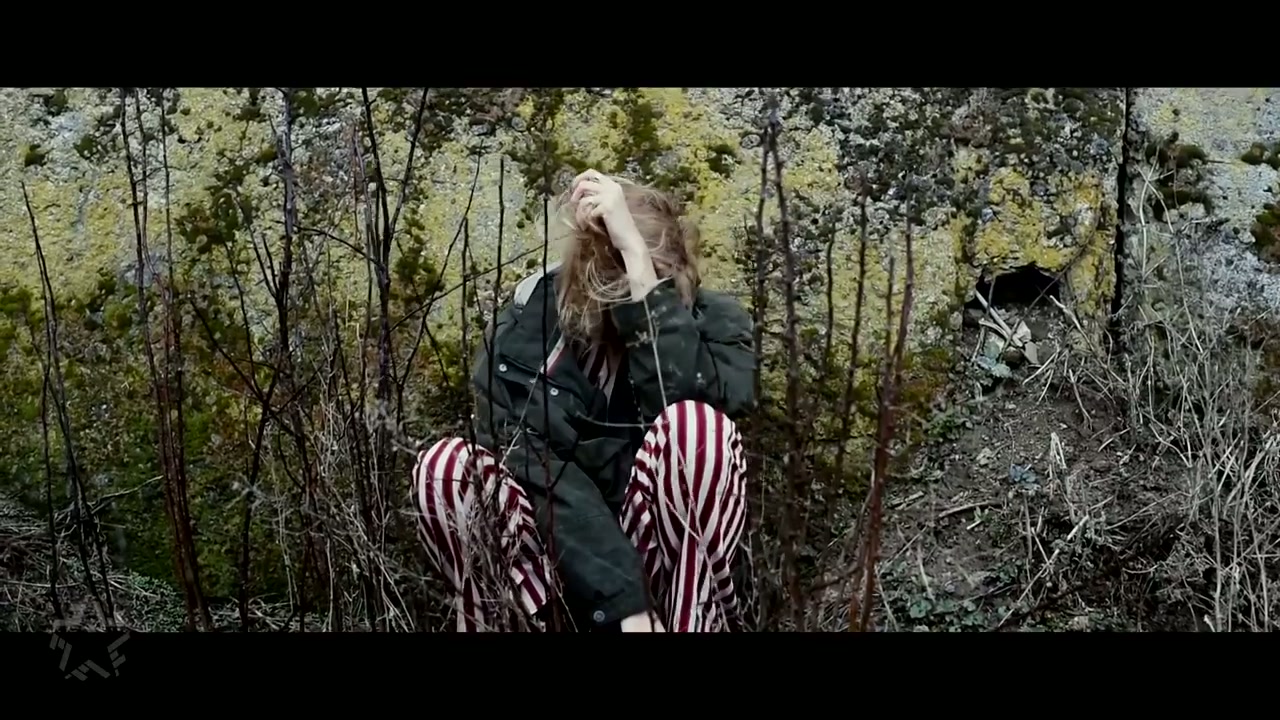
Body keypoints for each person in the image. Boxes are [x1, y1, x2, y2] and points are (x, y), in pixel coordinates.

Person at [412, 169, 756, 632]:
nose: (614, 306)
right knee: (448, 469)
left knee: (696, 429)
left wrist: (642, 281)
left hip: (668, 580)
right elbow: (528, 465)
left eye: (638, 278)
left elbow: (687, 422)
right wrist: (624, 602)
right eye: (609, 284)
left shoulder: (715, 325)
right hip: (555, 569)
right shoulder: (529, 325)